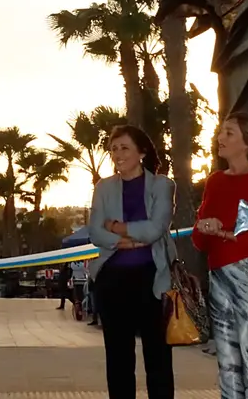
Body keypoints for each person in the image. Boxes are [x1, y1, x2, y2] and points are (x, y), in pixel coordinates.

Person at [193, 112, 248, 399]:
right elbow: (198, 240)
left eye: (229, 133)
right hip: (218, 275)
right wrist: (207, 228)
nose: (220, 138)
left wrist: (226, 235)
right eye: (221, 132)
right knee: (227, 362)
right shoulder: (215, 181)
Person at [88, 125, 175, 399]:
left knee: (158, 359)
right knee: (118, 361)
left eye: (124, 147)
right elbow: (96, 233)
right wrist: (127, 239)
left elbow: (155, 229)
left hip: (153, 279)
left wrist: (116, 226)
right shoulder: (103, 187)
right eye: (113, 149)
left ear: (142, 151)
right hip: (112, 281)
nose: (117, 154)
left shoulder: (163, 185)